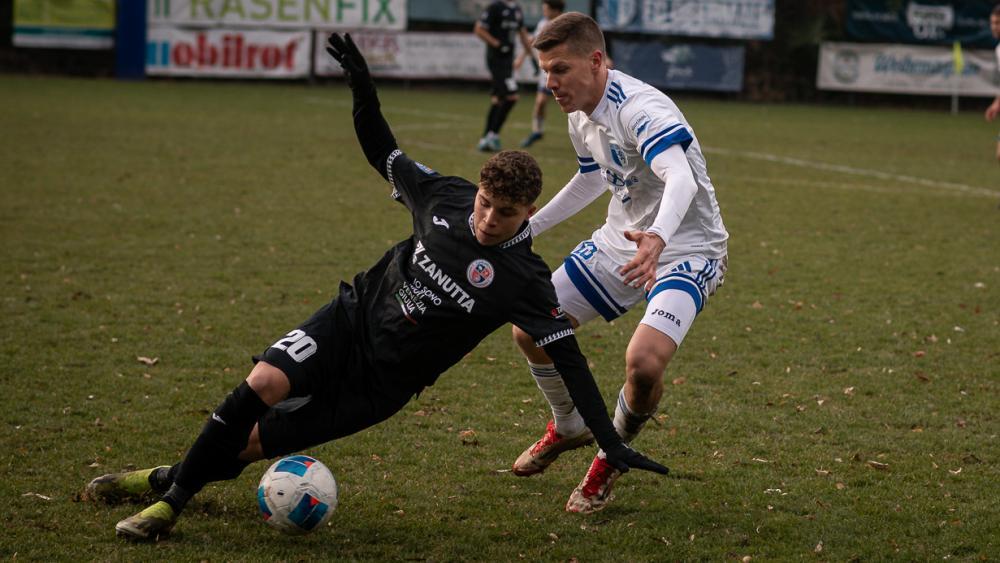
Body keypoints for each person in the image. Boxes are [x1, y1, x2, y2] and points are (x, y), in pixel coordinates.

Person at [84, 33, 668, 542]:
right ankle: (170, 506)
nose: (488, 220)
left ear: (529, 212)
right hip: (349, 319)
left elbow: (570, 362)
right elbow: (382, 150)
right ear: (479, 192)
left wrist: (607, 441)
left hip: (381, 383)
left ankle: (161, 478)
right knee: (261, 382)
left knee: (249, 444)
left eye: (506, 213)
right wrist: (363, 90)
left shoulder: (524, 281)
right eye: (486, 205)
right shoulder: (445, 198)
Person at [507, 13, 729, 514]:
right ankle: (570, 424)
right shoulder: (579, 112)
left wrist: (656, 238)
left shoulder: (639, 108)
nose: (550, 83)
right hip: (619, 242)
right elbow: (591, 178)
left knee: (644, 365)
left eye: (560, 69)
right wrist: (528, 229)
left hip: (687, 248)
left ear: (596, 60)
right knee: (530, 327)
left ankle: (610, 454)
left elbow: (681, 179)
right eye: (545, 71)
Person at [474, 0, 534, 152]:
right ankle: (492, 135)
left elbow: (523, 35)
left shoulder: (517, 10)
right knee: (511, 97)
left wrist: (532, 58)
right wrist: (496, 44)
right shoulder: (495, 7)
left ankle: (486, 138)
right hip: (496, 60)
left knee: (498, 99)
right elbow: (479, 29)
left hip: (508, 62)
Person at [514, 0, 565, 148]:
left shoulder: (567, 25)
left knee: (574, 105)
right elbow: (532, 40)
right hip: (548, 71)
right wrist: (521, 58)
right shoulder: (543, 23)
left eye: (546, 9)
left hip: (564, 71)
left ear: (555, 10)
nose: (544, 12)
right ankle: (537, 131)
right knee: (540, 102)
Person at [985, 5, 1000, 163]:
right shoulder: (999, 49)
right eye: (993, 22)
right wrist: (997, 104)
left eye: (998, 23)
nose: (994, 26)